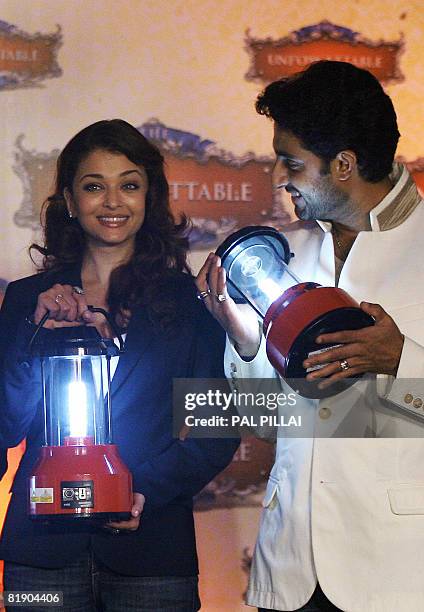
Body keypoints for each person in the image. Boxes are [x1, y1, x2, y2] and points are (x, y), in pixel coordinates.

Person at [196, 61, 424, 611]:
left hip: (396, 571)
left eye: (292, 162)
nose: (279, 176)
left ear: (344, 164)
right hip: (291, 566)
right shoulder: (281, 256)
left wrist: (402, 360)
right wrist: (246, 341)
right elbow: (267, 425)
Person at [0, 119, 239, 612]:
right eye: (94, 187)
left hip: (151, 551)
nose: (112, 202)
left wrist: (140, 489)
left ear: (149, 197)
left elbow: (218, 429)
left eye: (129, 185)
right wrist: (33, 338)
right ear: (69, 201)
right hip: (40, 551)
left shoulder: (188, 301)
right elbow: (7, 423)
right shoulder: (27, 300)